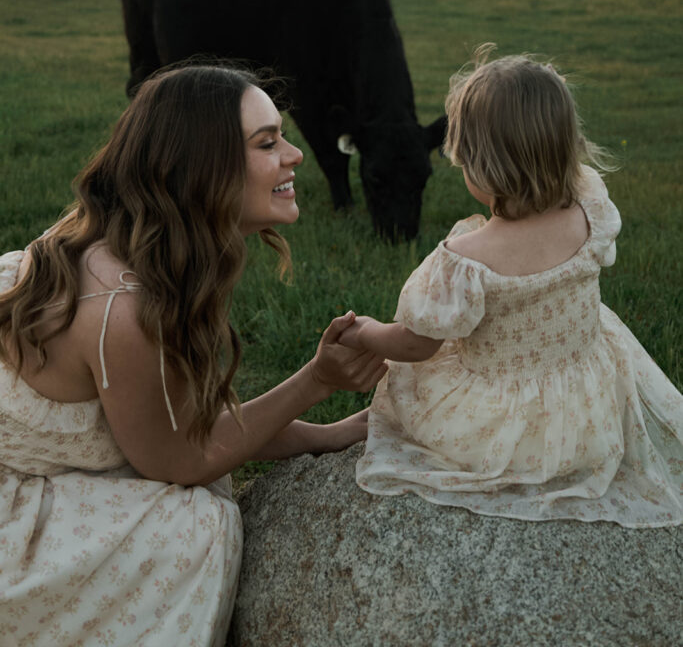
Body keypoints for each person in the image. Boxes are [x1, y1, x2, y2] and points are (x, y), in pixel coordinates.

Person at [0, 64, 387, 646]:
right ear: (204, 168)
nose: (295, 154)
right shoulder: (123, 309)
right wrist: (316, 380)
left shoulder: (142, 246)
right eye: (267, 142)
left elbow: (189, 418)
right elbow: (181, 460)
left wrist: (328, 434)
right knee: (194, 525)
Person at [340, 48, 682, 526]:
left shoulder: (465, 260)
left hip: (497, 432)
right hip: (589, 416)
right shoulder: (589, 209)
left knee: (411, 386)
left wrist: (367, 333)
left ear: (480, 165)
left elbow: (415, 344)